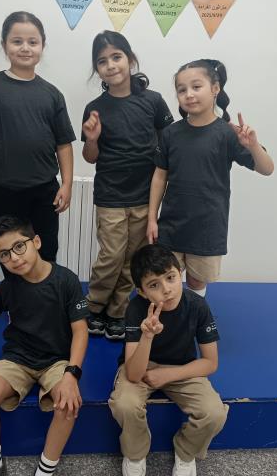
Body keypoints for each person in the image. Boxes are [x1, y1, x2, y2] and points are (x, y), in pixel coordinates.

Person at [0, 215, 88, 476]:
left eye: (19, 246)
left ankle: (46, 469)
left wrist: (71, 374)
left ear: (37, 242)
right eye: (4, 254)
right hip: (17, 358)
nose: (14, 258)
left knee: (69, 405)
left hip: (56, 360)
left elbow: (80, 331)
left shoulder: (66, 280)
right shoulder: (8, 287)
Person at [147, 59, 274, 296]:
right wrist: (152, 218)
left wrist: (253, 146)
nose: (189, 94)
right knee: (165, 281)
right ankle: (168, 319)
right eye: (182, 90)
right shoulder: (171, 133)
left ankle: (194, 315)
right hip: (171, 226)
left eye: (196, 87)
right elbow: (159, 176)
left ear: (215, 89)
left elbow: (267, 169)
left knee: (197, 283)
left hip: (207, 228)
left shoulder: (227, 134)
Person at [81, 31, 173, 340]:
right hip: (110, 195)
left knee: (132, 260)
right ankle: (94, 307)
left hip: (144, 196)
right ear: (97, 69)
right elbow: (90, 156)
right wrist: (92, 139)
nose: (110, 65)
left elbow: (168, 143)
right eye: (102, 61)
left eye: (116, 57)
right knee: (111, 256)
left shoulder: (153, 101)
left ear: (130, 59)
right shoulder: (95, 107)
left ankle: (117, 312)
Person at [0, 12, 76, 261]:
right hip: (5, 189)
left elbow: (63, 144)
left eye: (32, 42)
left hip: (44, 189)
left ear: (42, 46)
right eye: (17, 41)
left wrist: (66, 184)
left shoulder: (52, 94)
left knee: (46, 251)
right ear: (4, 45)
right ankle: (15, 288)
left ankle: (45, 288)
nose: (25, 48)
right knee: (11, 252)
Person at [109, 244, 227, 476]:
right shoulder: (136, 308)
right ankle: (135, 453)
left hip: (182, 367)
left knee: (214, 413)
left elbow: (210, 363)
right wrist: (147, 336)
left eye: (171, 278)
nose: (167, 290)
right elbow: (133, 373)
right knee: (124, 404)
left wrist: (168, 374)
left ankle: (186, 451)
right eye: (154, 285)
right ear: (142, 292)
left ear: (180, 273)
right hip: (141, 365)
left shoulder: (197, 305)